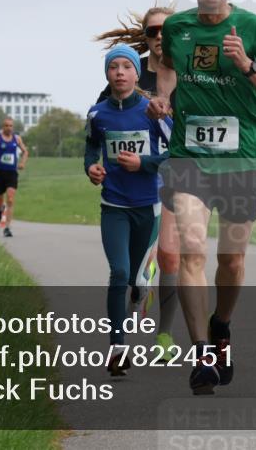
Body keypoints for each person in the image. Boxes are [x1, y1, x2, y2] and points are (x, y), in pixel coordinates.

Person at [147, 0, 256, 395]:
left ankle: (221, 324)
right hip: (189, 158)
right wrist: (164, 98)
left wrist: (247, 66)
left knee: (231, 261)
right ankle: (203, 355)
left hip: (242, 159)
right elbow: (167, 68)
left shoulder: (253, 27)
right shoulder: (178, 28)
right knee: (192, 249)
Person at [95, 4, 181, 360]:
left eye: (166, 31)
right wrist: (98, 166)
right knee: (136, 264)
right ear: (145, 38)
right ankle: (136, 284)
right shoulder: (130, 75)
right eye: (153, 32)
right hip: (137, 185)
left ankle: (164, 335)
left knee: (171, 254)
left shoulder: (191, 76)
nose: (160, 37)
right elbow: (102, 121)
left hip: (179, 171)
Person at [84, 44, 172, 376]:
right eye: (113, 67)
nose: (119, 72)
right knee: (119, 273)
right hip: (114, 206)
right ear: (107, 74)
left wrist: (143, 163)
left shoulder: (153, 112)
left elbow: (172, 156)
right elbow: (91, 147)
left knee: (137, 280)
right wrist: (91, 168)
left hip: (148, 207)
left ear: (137, 74)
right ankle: (118, 347)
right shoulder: (97, 113)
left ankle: (140, 292)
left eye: (126, 67)